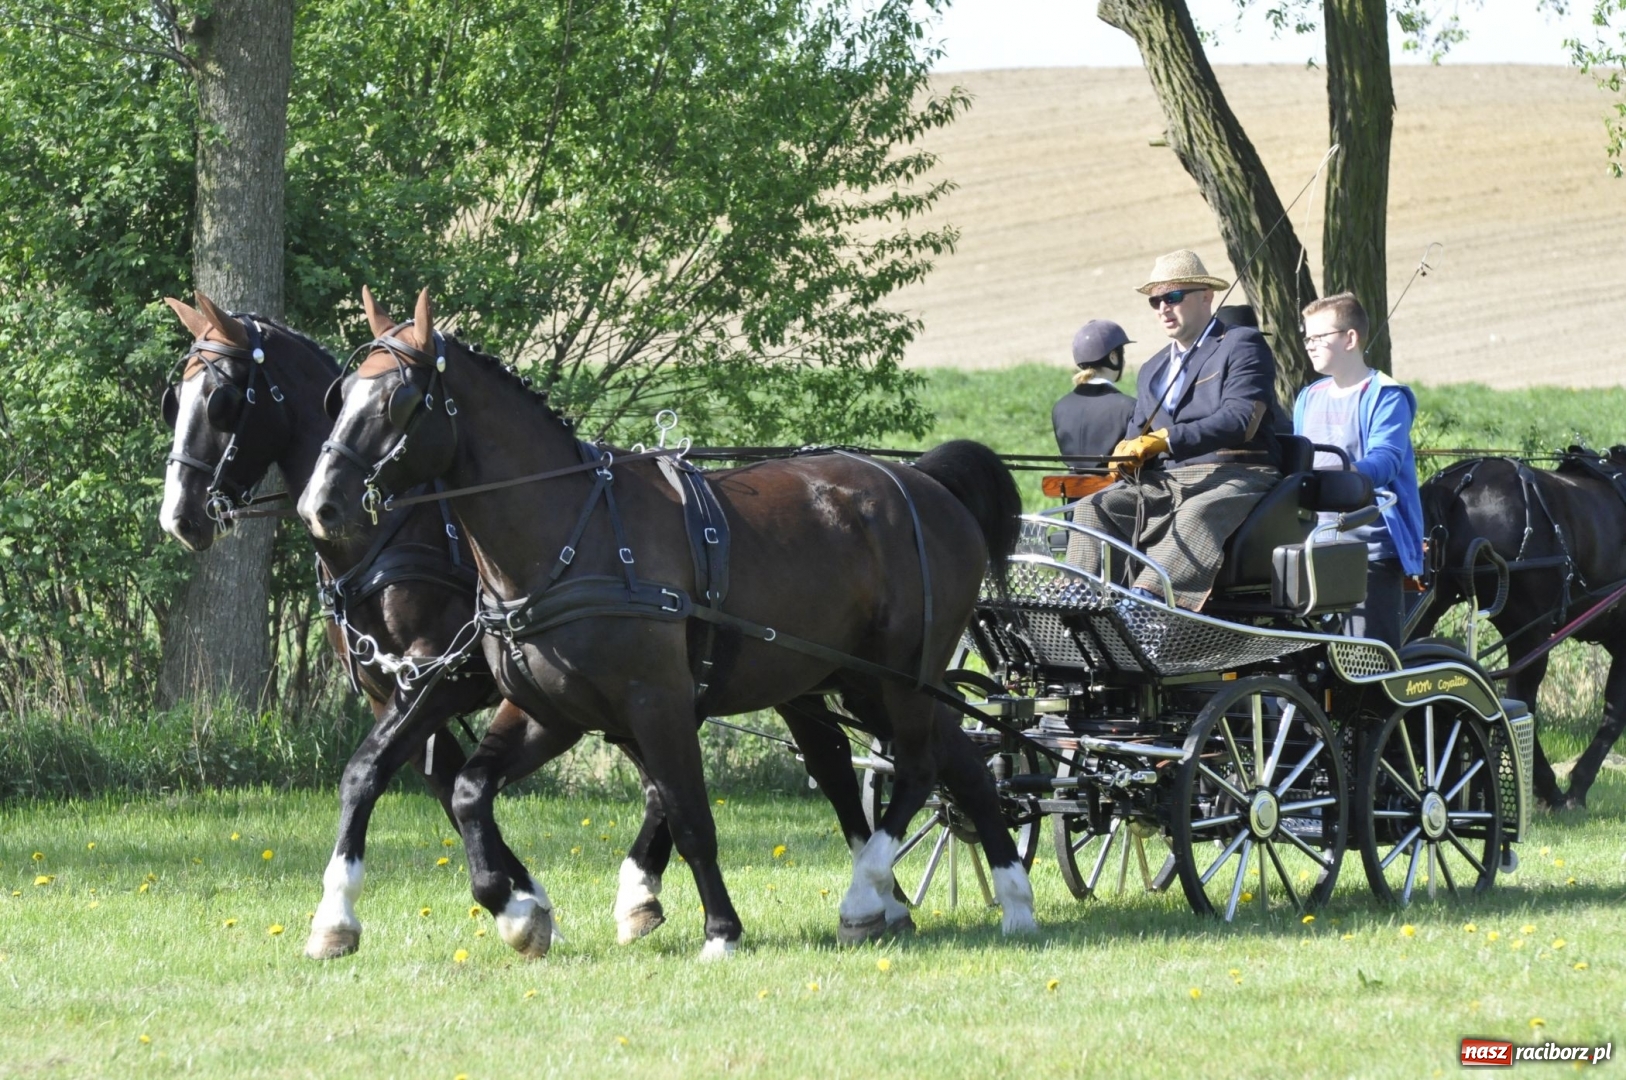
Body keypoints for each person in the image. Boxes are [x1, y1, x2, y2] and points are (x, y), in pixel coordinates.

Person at [1066, 250, 1283, 609]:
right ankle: (1078, 602)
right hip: (1167, 481)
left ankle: (1147, 606)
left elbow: (1241, 419)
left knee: (1195, 514)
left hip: (1238, 474)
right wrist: (1124, 455)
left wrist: (1164, 440)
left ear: (1206, 296)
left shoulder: (1240, 343)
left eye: (1174, 296)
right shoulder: (1152, 368)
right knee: (1096, 506)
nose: (1163, 308)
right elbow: (1137, 434)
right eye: (1155, 301)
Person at [1293, 292, 1423, 648]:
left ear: (1350, 338)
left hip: (1369, 550)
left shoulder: (1387, 395)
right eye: (1307, 337)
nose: (1309, 345)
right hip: (1312, 546)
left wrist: (1346, 475)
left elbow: (1386, 459)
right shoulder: (1309, 397)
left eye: (1319, 337)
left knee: (1369, 658)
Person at [1051, 320, 1136, 465]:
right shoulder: (1129, 407)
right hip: (1117, 481)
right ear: (1113, 357)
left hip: (1068, 481)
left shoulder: (1060, 407)